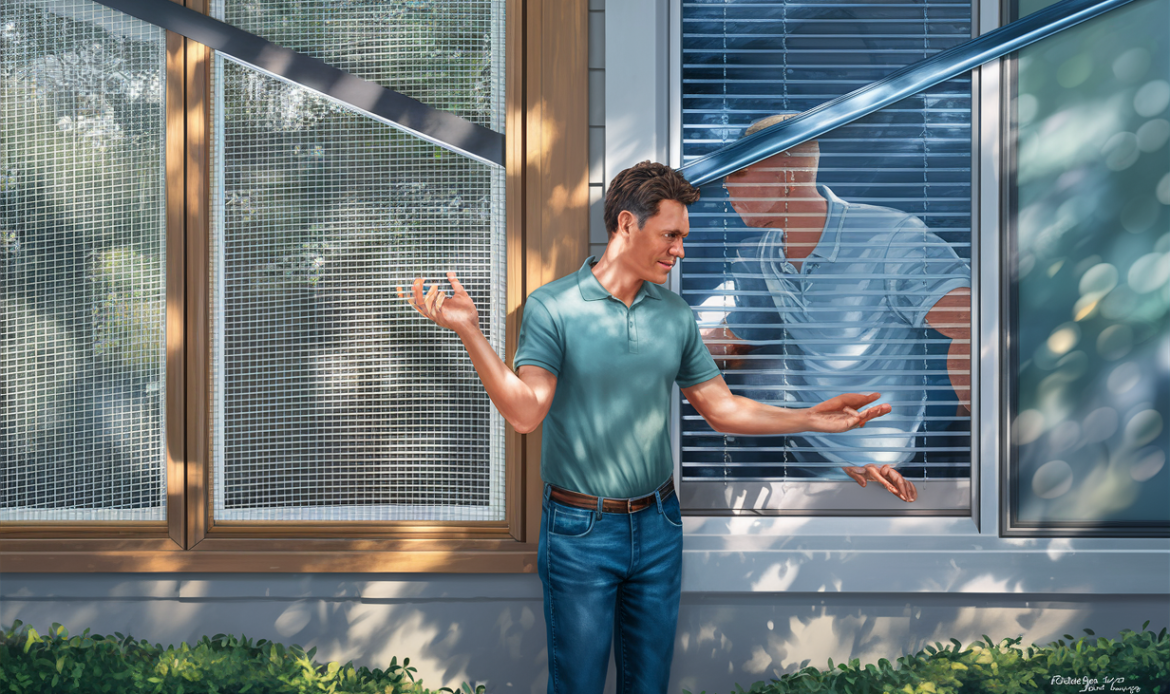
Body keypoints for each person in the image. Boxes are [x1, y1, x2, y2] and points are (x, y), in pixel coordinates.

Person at [400, 161, 894, 694]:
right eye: (670, 235)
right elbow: (525, 413)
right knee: (578, 686)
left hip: (659, 525)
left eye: (682, 237)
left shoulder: (676, 315)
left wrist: (812, 416)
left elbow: (720, 407)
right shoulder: (554, 307)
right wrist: (471, 332)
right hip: (580, 530)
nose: (679, 249)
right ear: (627, 226)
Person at [707, 112, 971, 494]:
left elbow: (973, 324)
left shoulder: (892, 239)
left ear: (786, 175)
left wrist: (970, 462)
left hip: (889, 475)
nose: (726, 187)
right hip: (796, 468)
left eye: (738, 173)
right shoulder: (759, 255)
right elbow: (734, 339)